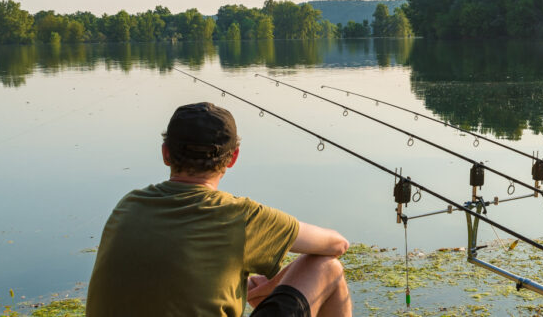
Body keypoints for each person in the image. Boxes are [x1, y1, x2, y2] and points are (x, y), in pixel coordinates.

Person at [86, 102, 352, 317]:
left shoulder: (128, 205)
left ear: (166, 153)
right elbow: (337, 244)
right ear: (233, 157)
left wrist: (238, 284)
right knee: (327, 267)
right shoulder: (241, 217)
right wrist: (271, 287)